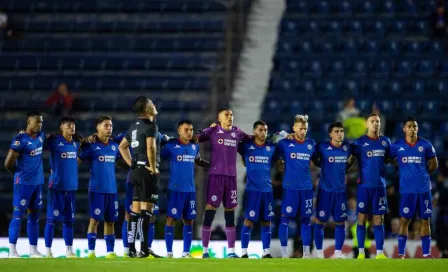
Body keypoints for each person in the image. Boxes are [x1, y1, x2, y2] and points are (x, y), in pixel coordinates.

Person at [197, 108, 250, 258]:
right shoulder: (213, 131)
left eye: (231, 115)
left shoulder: (237, 132)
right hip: (216, 176)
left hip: (231, 178)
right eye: (227, 115)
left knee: (230, 213)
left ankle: (231, 252)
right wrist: (207, 129)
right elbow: (194, 139)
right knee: (210, 210)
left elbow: (251, 140)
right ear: (219, 118)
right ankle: (205, 252)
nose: (230, 117)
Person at [389, 117, 438, 258]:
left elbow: (434, 163)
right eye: (410, 126)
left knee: (425, 220)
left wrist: (423, 173)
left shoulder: (426, 145)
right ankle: (401, 253)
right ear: (404, 128)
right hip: (407, 190)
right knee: (404, 220)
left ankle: (426, 254)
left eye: (415, 126)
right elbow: (388, 159)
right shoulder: (397, 146)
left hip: (423, 189)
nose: (413, 129)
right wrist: (398, 165)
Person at [115, 131, 169, 258]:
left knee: (150, 215)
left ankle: (146, 249)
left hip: (151, 178)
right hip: (135, 179)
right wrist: (132, 165)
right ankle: (128, 250)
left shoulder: (158, 134)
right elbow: (114, 140)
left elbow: (170, 140)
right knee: (130, 213)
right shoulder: (132, 132)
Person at [118, 96, 160, 258]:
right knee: (147, 210)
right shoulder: (151, 125)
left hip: (136, 172)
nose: (154, 105)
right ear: (146, 109)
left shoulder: (133, 126)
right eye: (151, 103)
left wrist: (132, 164)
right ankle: (143, 249)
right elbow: (150, 146)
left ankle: (131, 249)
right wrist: (152, 166)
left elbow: (122, 147)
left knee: (135, 210)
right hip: (146, 172)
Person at [161, 120, 209, 258]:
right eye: (186, 129)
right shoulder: (170, 145)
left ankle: (186, 253)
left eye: (191, 130)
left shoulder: (195, 146)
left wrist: (212, 165)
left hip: (190, 190)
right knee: (171, 219)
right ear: (179, 131)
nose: (189, 132)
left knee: (189, 220)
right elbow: (159, 156)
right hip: (175, 189)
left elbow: (198, 160)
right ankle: (169, 253)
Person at [78, 116, 123, 259]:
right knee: (94, 219)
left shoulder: (115, 145)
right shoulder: (91, 145)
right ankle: (91, 251)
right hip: (97, 189)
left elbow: (121, 162)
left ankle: (110, 252)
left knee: (110, 221)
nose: (109, 128)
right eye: (106, 125)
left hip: (112, 190)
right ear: (98, 128)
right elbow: (77, 162)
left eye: (110, 125)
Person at [4, 111, 44, 258]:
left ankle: (33, 250)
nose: (39, 125)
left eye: (41, 122)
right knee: (17, 215)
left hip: (37, 183)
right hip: (24, 184)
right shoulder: (20, 139)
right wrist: (19, 175)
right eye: (37, 122)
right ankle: (12, 251)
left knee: (34, 216)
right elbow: (8, 163)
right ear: (29, 122)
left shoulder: (41, 136)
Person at [351, 113, 391, 259]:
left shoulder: (385, 141)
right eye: (372, 121)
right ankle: (361, 253)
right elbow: (350, 158)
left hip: (379, 186)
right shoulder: (359, 142)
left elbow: (389, 158)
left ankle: (380, 253)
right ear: (366, 124)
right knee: (362, 218)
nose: (375, 124)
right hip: (364, 186)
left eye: (377, 121)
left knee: (378, 219)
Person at [276, 114, 316, 258]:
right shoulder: (285, 143)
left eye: (305, 129)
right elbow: (269, 137)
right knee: (285, 219)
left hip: (306, 188)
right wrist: (284, 134)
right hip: (290, 187)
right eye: (300, 128)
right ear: (294, 128)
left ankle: (306, 253)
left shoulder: (311, 144)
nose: (303, 131)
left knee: (306, 220)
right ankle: (285, 253)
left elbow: (317, 161)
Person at [314, 122, 353, 259]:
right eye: (336, 131)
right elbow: (313, 156)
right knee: (320, 221)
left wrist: (348, 166)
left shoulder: (347, 147)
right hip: (325, 191)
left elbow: (355, 156)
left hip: (340, 192)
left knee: (341, 222)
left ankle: (338, 253)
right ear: (330, 134)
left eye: (341, 131)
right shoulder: (322, 147)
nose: (339, 133)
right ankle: (319, 253)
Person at [238, 120, 277, 259]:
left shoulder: (271, 147)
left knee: (266, 221)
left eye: (265, 130)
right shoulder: (246, 146)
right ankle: (243, 253)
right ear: (254, 131)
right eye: (260, 130)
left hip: (267, 191)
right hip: (252, 191)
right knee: (248, 220)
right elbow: (233, 140)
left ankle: (266, 252)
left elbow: (279, 158)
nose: (263, 133)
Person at [43, 117, 79, 258]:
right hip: (56, 187)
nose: (72, 127)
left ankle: (69, 250)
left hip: (71, 188)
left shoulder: (76, 143)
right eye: (69, 125)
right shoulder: (54, 142)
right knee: (52, 220)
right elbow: (37, 143)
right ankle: (48, 251)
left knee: (69, 221)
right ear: (61, 127)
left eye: (73, 125)